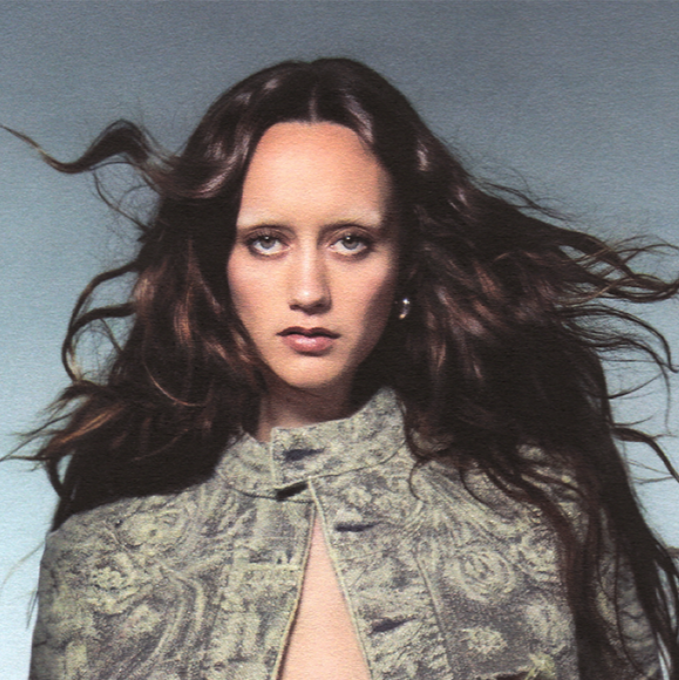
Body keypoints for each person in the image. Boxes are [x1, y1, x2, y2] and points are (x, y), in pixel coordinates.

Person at [11, 58, 679, 679]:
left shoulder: (549, 512)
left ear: (405, 265)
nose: (309, 290)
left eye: (351, 242)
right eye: (266, 241)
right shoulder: (103, 557)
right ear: (218, 267)